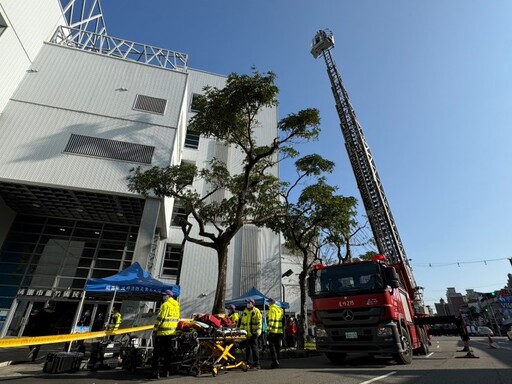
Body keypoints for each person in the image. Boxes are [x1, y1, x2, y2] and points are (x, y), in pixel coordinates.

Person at [152, 289, 180, 379]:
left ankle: (155, 372)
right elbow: (177, 319)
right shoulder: (176, 306)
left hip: (161, 332)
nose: (163, 297)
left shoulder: (165, 305)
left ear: (168, 296)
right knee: (167, 353)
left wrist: (155, 329)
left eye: (164, 295)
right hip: (171, 333)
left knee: (157, 354)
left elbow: (160, 318)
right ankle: (166, 371)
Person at [240, 298, 262, 370]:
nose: (248, 304)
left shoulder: (256, 311)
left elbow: (259, 323)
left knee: (255, 349)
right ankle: (249, 363)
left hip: (253, 333)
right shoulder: (245, 311)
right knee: (248, 349)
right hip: (246, 334)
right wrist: (241, 332)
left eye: (249, 303)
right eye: (247, 303)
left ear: (252, 303)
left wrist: (258, 332)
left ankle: (257, 364)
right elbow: (242, 323)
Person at [266, 298, 284, 369]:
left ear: (271, 302)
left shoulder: (272, 309)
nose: (268, 303)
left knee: (272, 347)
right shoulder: (280, 310)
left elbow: (271, 320)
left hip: (273, 331)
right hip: (279, 331)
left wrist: (269, 329)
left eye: (269, 302)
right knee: (277, 347)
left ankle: (274, 361)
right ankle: (277, 361)